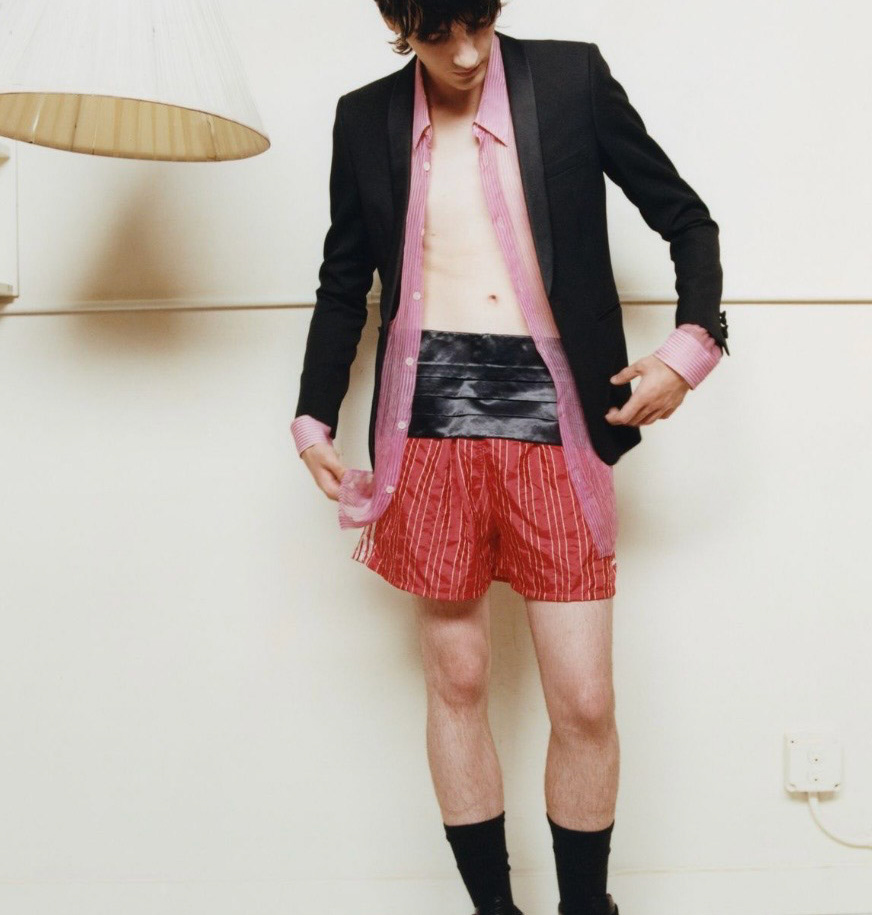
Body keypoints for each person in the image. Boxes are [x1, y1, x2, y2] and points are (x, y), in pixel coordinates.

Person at [291, 3, 729, 913]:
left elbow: (687, 218)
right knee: (456, 679)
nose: (464, 54)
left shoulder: (569, 80)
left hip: (555, 414)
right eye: (436, 34)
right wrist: (313, 417)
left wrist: (688, 349)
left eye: (478, 24)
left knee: (584, 698)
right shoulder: (364, 118)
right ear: (397, 22)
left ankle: (587, 907)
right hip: (427, 423)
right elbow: (344, 281)